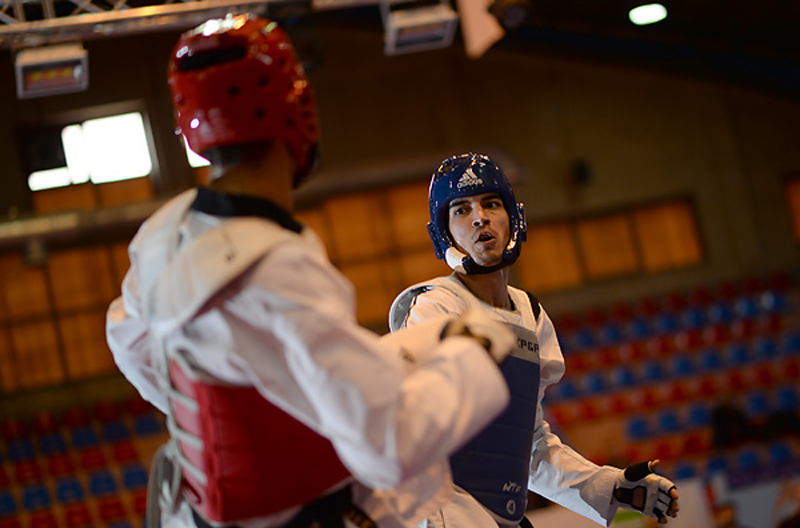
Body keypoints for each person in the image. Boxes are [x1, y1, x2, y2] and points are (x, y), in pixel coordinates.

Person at [106, 18, 519, 528]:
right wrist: (474, 352)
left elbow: (130, 344)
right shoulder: (280, 266)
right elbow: (388, 448)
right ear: (297, 111)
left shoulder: (161, 232)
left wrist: (246, 423)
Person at [388, 152, 681, 527]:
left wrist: (610, 487)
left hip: (502, 517)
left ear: (514, 216)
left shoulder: (530, 313)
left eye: (491, 203)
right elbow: (416, 431)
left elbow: (528, 446)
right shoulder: (434, 307)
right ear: (443, 232)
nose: (480, 217)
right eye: (461, 210)